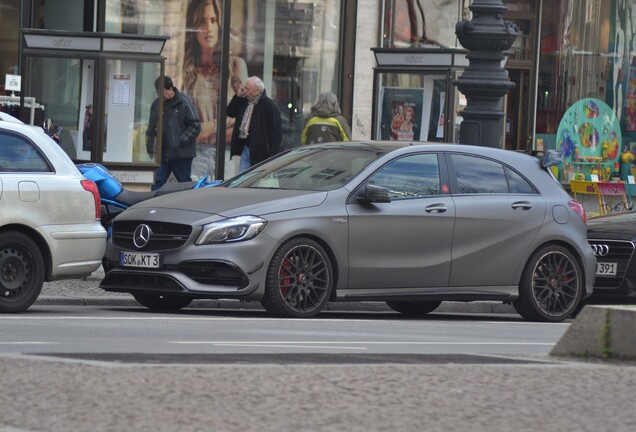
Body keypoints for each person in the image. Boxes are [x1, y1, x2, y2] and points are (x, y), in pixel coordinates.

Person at [183, 0, 248, 179]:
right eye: (202, 21)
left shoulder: (235, 66)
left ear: (220, 24)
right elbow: (186, 130)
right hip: (195, 156)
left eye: (213, 20)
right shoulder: (188, 70)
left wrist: (205, 130)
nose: (208, 28)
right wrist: (221, 124)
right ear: (193, 26)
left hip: (227, 155)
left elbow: (242, 123)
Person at [146, 76, 201, 190]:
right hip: (163, 153)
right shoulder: (157, 105)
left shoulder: (184, 101)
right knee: (157, 182)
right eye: (157, 92)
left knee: (184, 183)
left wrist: (180, 140)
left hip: (182, 154)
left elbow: (195, 125)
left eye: (160, 92)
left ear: (170, 89)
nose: (158, 95)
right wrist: (150, 147)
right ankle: (154, 205)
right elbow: (151, 128)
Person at [227, 76, 282, 173]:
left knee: (258, 180)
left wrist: (271, 158)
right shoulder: (243, 102)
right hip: (245, 148)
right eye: (245, 87)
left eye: (248, 89)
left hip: (261, 152)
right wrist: (238, 96)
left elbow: (276, 134)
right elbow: (230, 112)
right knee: (242, 179)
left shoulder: (269, 106)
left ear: (258, 90)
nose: (245, 91)